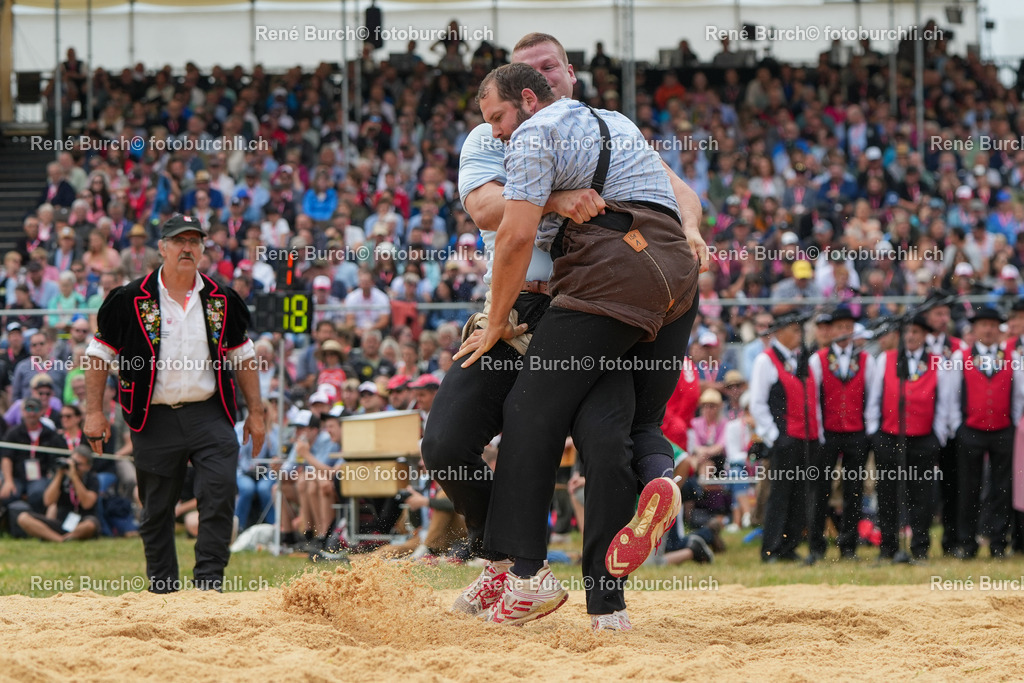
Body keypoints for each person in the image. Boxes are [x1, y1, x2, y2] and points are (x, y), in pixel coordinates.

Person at [423, 33, 705, 631]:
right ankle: (504, 559)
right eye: (528, 69)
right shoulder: (496, 135)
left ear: (560, 78)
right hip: (535, 301)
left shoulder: (599, 124)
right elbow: (487, 212)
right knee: (446, 442)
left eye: (548, 67)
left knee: (599, 439)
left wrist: (695, 229)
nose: (540, 76)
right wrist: (556, 197)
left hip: (589, 299)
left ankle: (596, 600)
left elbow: (682, 193)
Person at [83, 213, 264, 593]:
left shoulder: (220, 299)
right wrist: (94, 412)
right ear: (162, 248)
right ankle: (164, 589)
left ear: (202, 250)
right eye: (179, 241)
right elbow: (98, 354)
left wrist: (257, 414)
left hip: (210, 413)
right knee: (156, 511)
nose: (187, 248)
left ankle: (208, 585)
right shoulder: (130, 299)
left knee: (219, 494)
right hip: (154, 416)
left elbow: (243, 356)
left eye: (194, 241)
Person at [865, 315, 956, 561]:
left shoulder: (938, 364)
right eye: (907, 332)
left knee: (921, 496)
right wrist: (875, 432)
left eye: (916, 332)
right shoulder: (887, 359)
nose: (911, 336)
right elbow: (874, 398)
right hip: (889, 436)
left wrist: (938, 436)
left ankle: (920, 547)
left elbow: (944, 405)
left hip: (923, 438)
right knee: (887, 495)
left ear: (925, 335)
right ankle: (888, 548)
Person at [948, 307, 1024, 559]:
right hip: (971, 430)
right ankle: (967, 544)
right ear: (975, 329)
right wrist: (958, 425)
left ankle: (998, 543)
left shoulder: (1011, 356)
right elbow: (952, 394)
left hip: (1003, 430)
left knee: (1002, 489)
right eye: (984, 325)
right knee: (968, 488)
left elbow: (1017, 396)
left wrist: (1012, 423)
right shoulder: (962, 356)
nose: (989, 329)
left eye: (993, 325)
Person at [749, 312, 823, 563]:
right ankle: (771, 548)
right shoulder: (765, 360)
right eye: (794, 330)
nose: (799, 336)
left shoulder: (805, 360)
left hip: (807, 438)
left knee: (801, 493)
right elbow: (757, 404)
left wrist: (818, 433)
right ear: (779, 333)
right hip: (785, 438)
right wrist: (774, 436)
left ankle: (790, 546)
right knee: (779, 493)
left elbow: (814, 402)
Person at [806, 306, 874, 562]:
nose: (844, 331)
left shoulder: (867, 360)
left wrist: (868, 429)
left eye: (849, 327)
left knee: (853, 491)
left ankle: (849, 547)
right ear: (831, 330)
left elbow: (873, 398)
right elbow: (813, 402)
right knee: (819, 490)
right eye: (839, 327)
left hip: (856, 432)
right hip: (827, 434)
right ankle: (816, 546)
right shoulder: (818, 360)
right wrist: (819, 432)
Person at [14, 445, 100, 542]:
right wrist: (59, 475)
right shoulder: (62, 477)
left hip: (82, 521)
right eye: (73, 462)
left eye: (78, 464)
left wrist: (75, 478)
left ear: (88, 467)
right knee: (23, 518)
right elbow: (48, 501)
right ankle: (60, 539)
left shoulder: (92, 479)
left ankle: (65, 537)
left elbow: (87, 503)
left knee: (90, 525)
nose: (74, 466)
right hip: (61, 522)